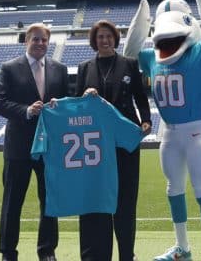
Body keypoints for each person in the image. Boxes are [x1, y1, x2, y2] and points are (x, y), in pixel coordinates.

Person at [124, 0, 201, 261]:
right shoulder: (152, 58)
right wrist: (142, 20)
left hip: (196, 133)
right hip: (168, 134)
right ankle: (182, 248)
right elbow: (129, 56)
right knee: (173, 190)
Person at [31, 94, 145, 261]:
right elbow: (132, 136)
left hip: (70, 190)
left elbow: (36, 151)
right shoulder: (103, 109)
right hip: (100, 186)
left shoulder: (52, 112)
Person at [75, 20, 153, 261]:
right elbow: (78, 105)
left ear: (115, 39)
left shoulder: (130, 64)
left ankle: (127, 254)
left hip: (124, 141)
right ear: (94, 40)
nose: (105, 40)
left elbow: (141, 98)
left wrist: (146, 121)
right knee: (98, 199)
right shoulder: (84, 67)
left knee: (126, 200)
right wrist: (85, 96)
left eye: (108, 36)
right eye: (100, 37)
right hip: (96, 144)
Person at [0, 23, 69, 261]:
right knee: (12, 202)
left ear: (49, 42)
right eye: (36, 39)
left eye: (44, 40)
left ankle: (47, 251)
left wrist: (61, 105)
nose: (40, 44)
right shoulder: (9, 68)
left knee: (49, 202)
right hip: (19, 148)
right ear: (27, 41)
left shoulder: (60, 69)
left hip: (49, 148)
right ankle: (8, 252)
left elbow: (66, 102)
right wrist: (26, 110)